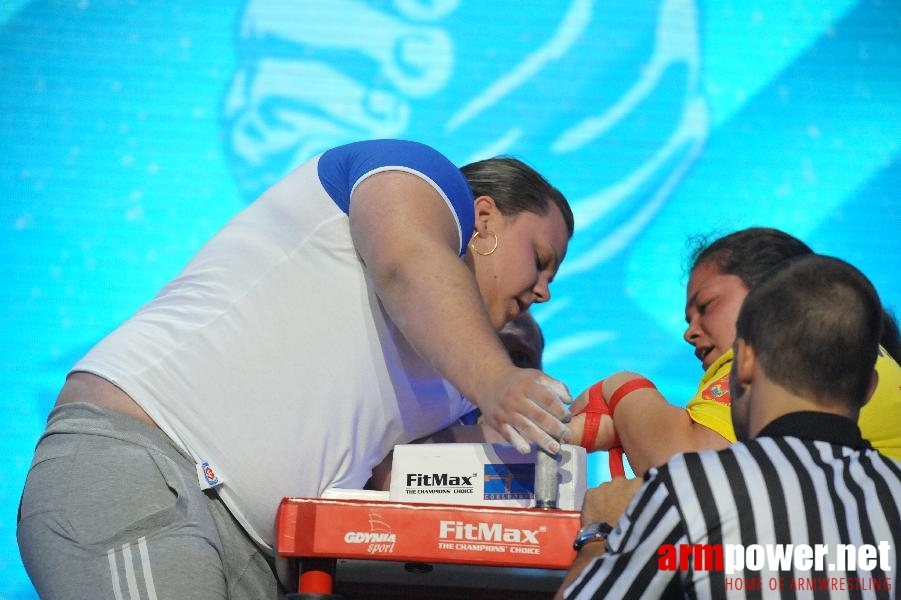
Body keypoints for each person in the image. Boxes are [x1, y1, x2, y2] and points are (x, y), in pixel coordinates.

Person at [16, 139, 576, 598]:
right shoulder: (415, 175)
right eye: (540, 259)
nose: (544, 289)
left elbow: (410, 480)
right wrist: (499, 382)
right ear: (483, 219)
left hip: (260, 559)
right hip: (147, 468)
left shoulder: (459, 380)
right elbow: (409, 265)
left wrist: (586, 437)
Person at [558, 255, 901, 599]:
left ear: (746, 360)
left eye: (706, 305)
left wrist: (598, 534)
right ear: (870, 386)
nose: (691, 332)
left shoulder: (691, 488)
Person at [569, 227, 901, 475]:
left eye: (707, 305)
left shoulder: (773, 358)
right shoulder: (865, 359)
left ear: (773, 290)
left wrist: (622, 388)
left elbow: (686, 470)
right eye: (688, 318)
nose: (689, 332)